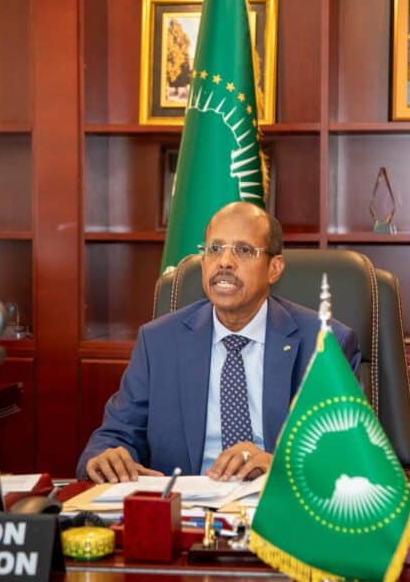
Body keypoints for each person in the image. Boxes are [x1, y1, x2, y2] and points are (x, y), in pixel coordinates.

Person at [77, 202, 361, 483]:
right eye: (214, 249)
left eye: (244, 250)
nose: (224, 262)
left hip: (276, 503)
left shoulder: (324, 344)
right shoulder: (158, 342)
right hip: (185, 505)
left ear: (274, 269)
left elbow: (350, 456)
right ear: (203, 262)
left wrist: (280, 467)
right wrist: (105, 457)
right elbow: (116, 435)